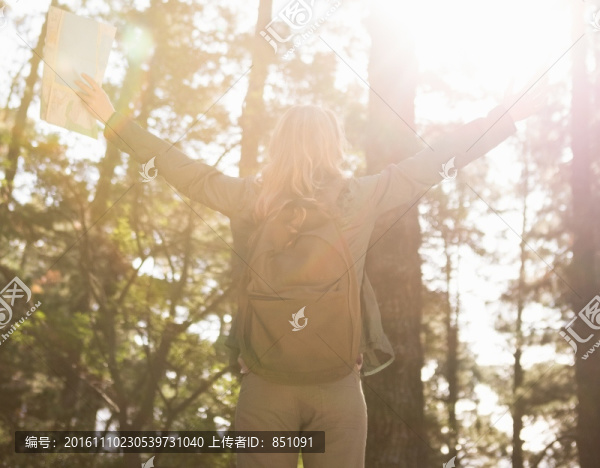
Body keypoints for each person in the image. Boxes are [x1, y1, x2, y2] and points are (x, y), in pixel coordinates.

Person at [75, 72, 545, 468]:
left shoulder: (250, 199)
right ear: (333, 146)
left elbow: (183, 169)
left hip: (264, 390)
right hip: (338, 389)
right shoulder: (358, 198)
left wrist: (112, 119)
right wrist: (505, 118)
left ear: (280, 147)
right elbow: (437, 158)